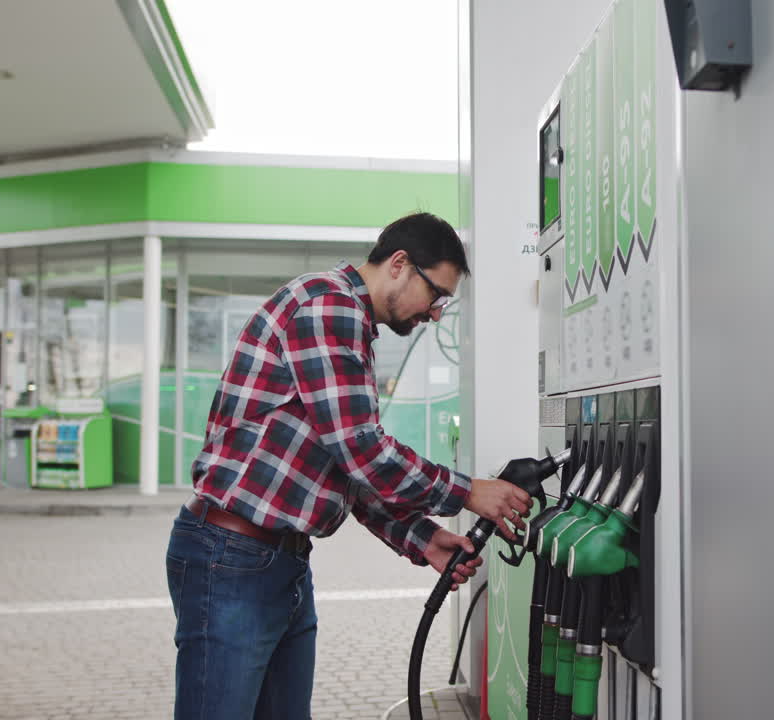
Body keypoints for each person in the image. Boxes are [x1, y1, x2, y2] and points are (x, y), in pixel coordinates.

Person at [165, 212, 531, 719]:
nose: (435, 313)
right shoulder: (328, 306)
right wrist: (469, 492)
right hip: (232, 558)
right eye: (436, 294)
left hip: (277, 563)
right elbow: (365, 452)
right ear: (399, 264)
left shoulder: (348, 322)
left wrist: (420, 537)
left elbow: (344, 468)